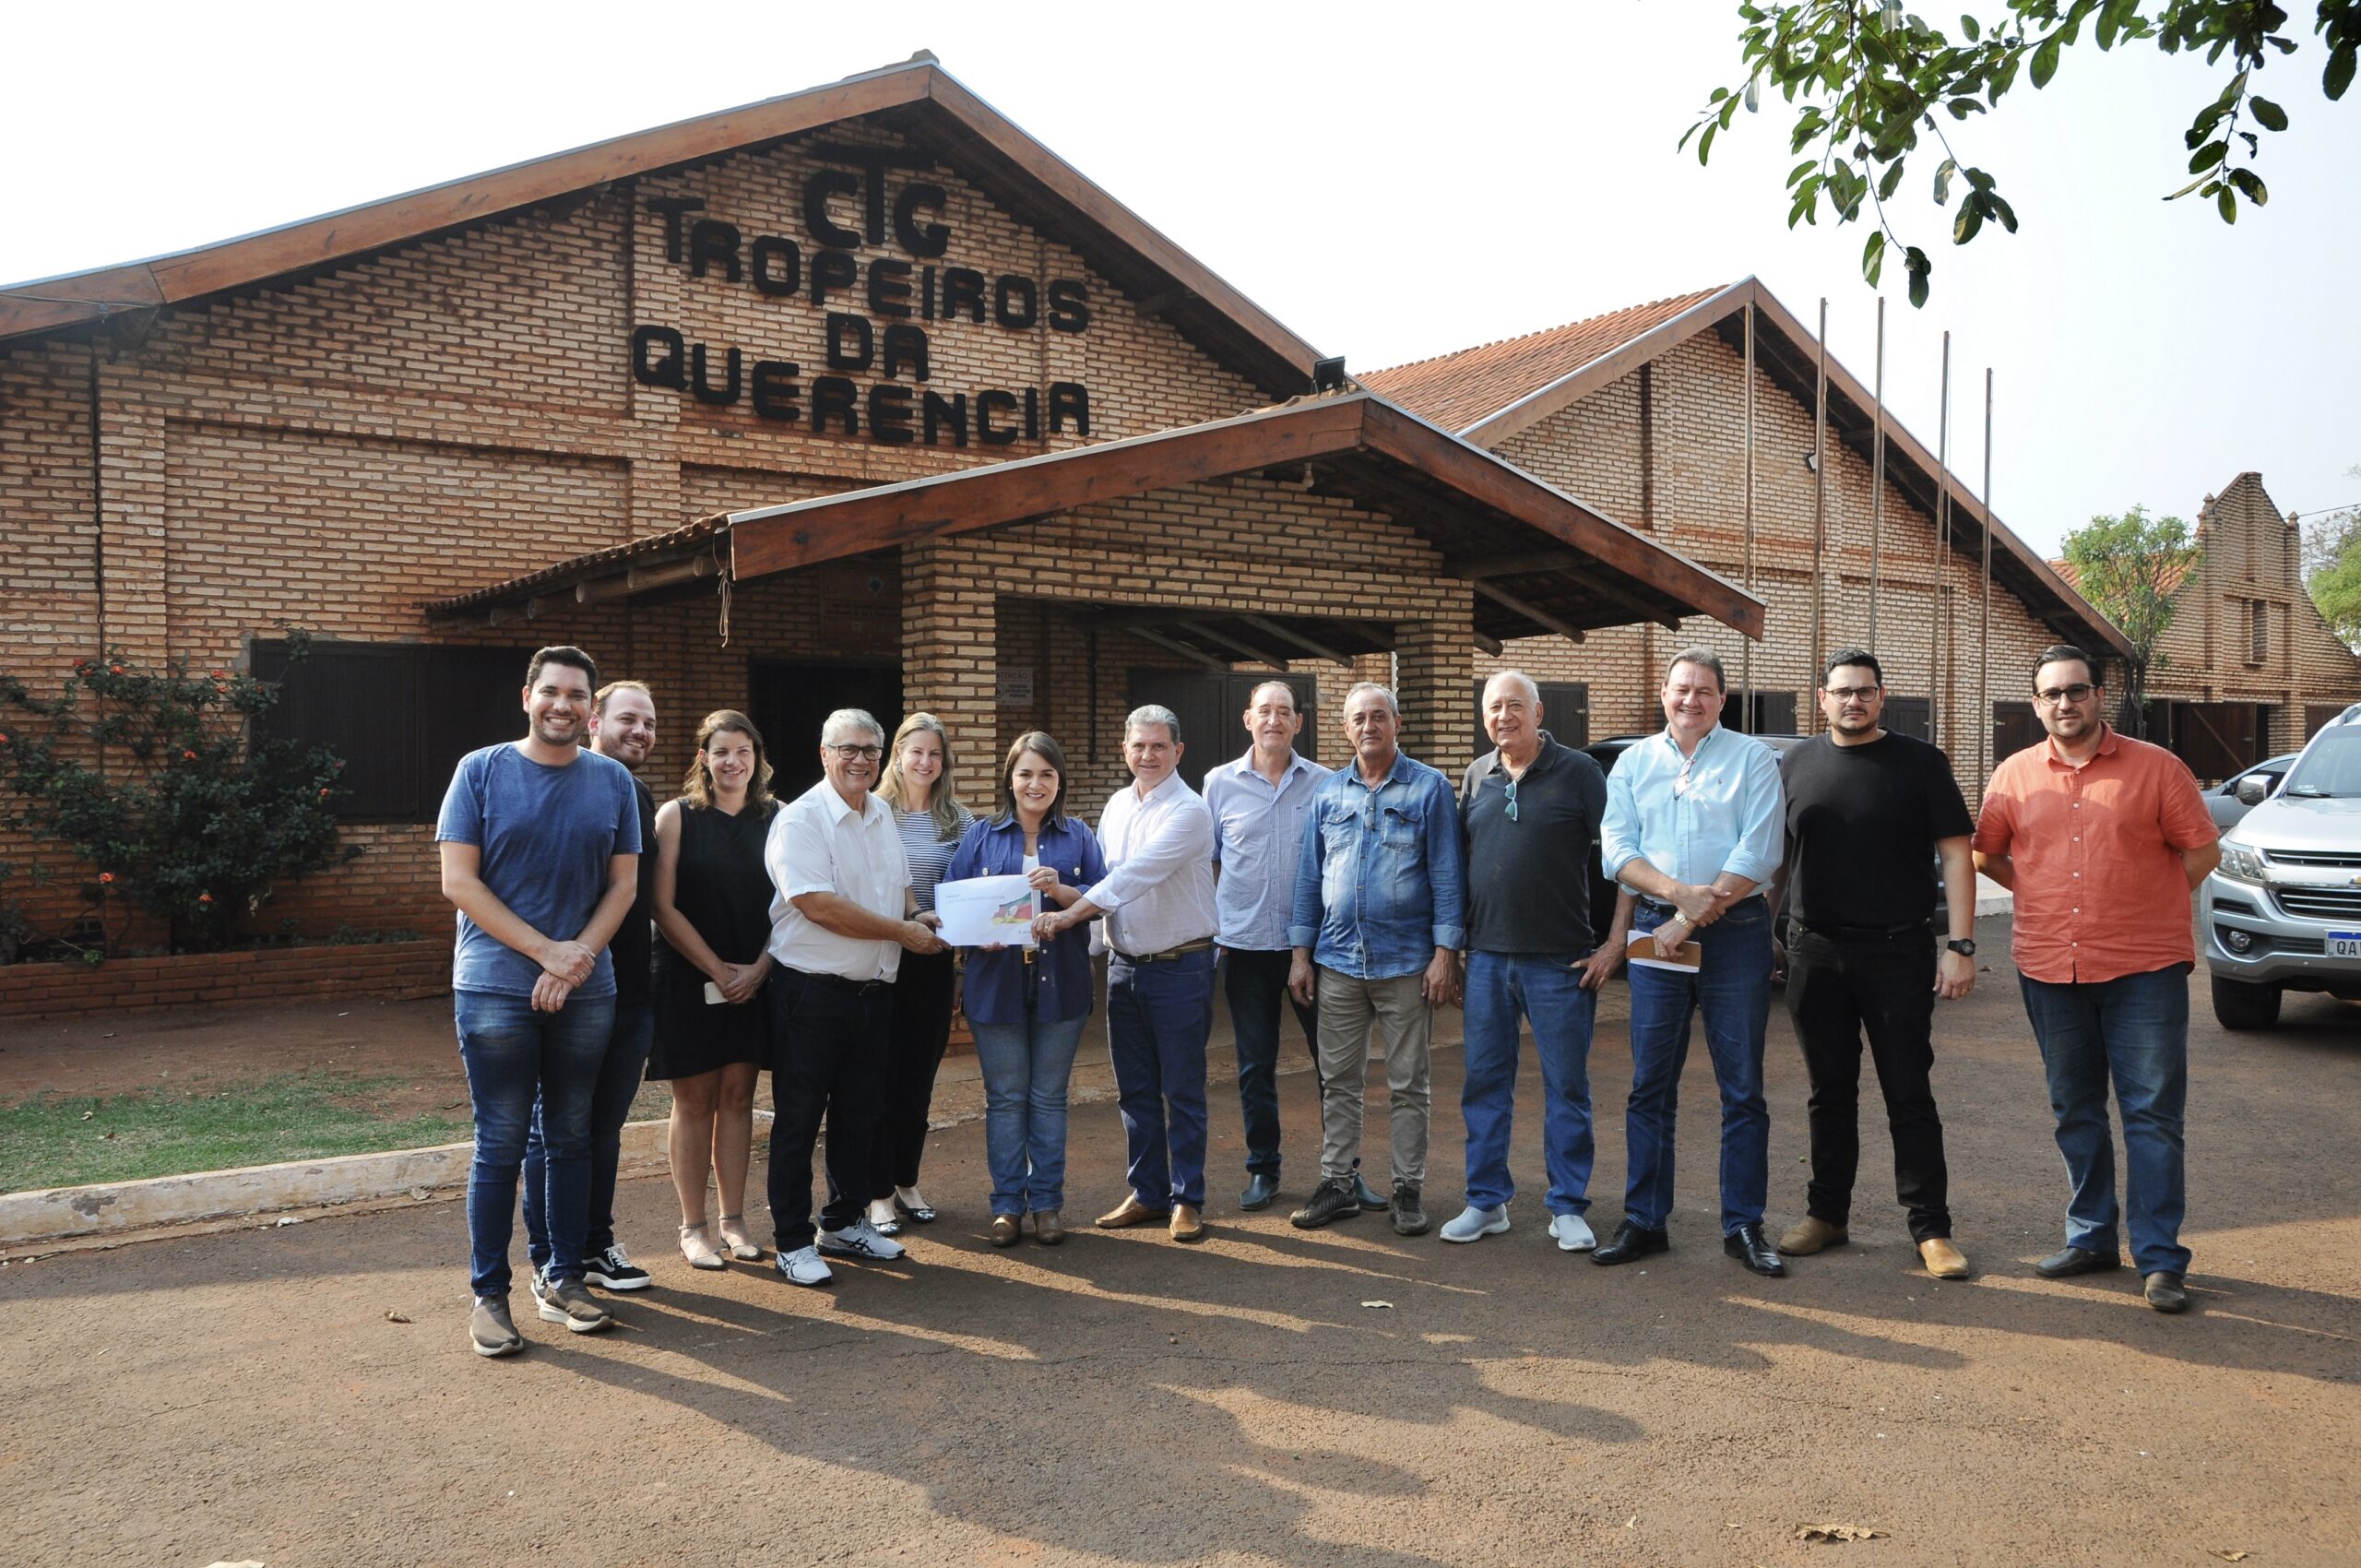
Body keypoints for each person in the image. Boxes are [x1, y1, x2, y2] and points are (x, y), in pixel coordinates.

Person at [1973, 646, 2220, 1313]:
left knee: (2152, 1116)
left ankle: (2161, 1259)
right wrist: (2043, 894)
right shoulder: (2014, 775)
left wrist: (2150, 902)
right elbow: (1986, 853)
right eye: (2051, 694)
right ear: (2035, 704)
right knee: (2074, 1109)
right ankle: (2090, 1239)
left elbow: (2202, 850)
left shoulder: (2157, 769)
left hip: (2146, 969)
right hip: (2051, 965)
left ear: (2099, 696)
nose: (2064, 704)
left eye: (2076, 691)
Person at [435, 646, 642, 1357]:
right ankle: (489, 1297)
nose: (563, 704)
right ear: (527, 697)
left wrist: (575, 957)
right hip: (495, 985)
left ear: (590, 708)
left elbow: (623, 888)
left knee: (570, 1135)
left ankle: (563, 1277)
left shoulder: (611, 780)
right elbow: (460, 883)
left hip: (586, 986)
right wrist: (544, 952)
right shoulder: (480, 770)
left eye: (576, 695)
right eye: (550, 691)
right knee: (499, 1142)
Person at [1770, 649, 1978, 1281]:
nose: (1852, 702)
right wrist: (1770, 930)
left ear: (1881, 697)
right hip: (1815, 950)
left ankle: (1931, 1229)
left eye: (1864, 692)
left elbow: (1957, 857)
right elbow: (1778, 856)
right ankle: (1827, 1215)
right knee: (1827, 1093)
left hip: (1898, 950)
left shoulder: (1921, 764)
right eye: (1841, 692)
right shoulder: (1796, 763)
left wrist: (1961, 946)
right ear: (1822, 698)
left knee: (1907, 1093)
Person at [1593, 647, 1786, 1277]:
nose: (1691, 700)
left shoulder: (1753, 759)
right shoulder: (1633, 763)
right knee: (1650, 1085)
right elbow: (1617, 851)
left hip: (1734, 936)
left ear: (1721, 700)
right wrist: (1675, 897)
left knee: (1743, 1088)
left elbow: (1758, 851)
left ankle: (1744, 1227)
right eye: (1681, 689)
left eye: (1704, 691)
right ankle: (1645, 1221)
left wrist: (1687, 917)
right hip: (1656, 935)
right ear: (1665, 694)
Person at [763, 708, 948, 1287]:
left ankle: (841, 1223)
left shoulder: (882, 814)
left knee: (860, 1115)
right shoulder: (801, 820)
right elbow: (817, 904)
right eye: (849, 749)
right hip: (810, 994)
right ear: (824, 754)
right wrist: (902, 932)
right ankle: (792, 1240)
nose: (861, 759)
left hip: (874, 994)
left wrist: (918, 914)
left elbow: (899, 887)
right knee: (798, 1119)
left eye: (871, 750)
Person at [1444, 671, 1619, 1250]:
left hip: (1562, 963)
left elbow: (1622, 860)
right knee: (1484, 1085)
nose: (1503, 717)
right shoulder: (1476, 775)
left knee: (1566, 1086)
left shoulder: (1580, 773)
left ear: (1539, 713)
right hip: (1489, 959)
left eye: (1515, 706)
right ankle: (1486, 1202)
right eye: (1493, 708)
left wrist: (1612, 943)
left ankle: (1567, 1207)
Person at [1032, 705, 1219, 1244]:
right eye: (1138, 746)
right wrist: (1080, 923)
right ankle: (1149, 1193)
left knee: (1181, 1089)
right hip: (1124, 967)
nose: (1148, 755)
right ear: (1125, 750)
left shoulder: (1189, 811)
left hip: (1180, 966)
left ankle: (1188, 1198)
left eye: (1159, 746)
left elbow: (1135, 877)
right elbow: (1104, 879)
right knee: (1134, 1090)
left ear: (1178, 751)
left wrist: (1071, 914)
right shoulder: (1116, 805)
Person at [1287, 682, 1465, 1239]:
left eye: (1379, 716)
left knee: (1409, 1083)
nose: (1369, 726)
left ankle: (1407, 1188)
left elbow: (1446, 875)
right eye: (1358, 718)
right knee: (1338, 1079)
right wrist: (1301, 955)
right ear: (1345, 729)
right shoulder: (1328, 795)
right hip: (1338, 961)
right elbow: (1309, 879)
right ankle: (1337, 1183)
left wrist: (1445, 955)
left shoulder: (1430, 789)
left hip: (1408, 963)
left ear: (1397, 722)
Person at [1203, 681, 1380, 1213]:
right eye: (1265, 711)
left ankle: (1345, 1173)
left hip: (1316, 950)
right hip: (1246, 949)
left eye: (1285, 712)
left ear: (1299, 723)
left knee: (1335, 1067)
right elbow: (1208, 860)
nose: (1274, 720)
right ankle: (1264, 1169)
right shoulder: (1218, 785)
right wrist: (1221, 923)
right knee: (1256, 1065)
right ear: (1247, 719)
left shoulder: (1327, 784)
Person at [520, 680, 661, 1301]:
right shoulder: (570, 787)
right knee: (553, 1131)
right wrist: (559, 964)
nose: (640, 731)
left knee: (602, 1129)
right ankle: (550, 1257)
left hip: (628, 993)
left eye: (650, 723)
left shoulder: (636, 792)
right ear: (594, 720)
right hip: (565, 989)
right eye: (628, 719)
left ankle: (593, 1245)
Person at [946, 732, 1109, 1246]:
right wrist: (982, 936)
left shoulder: (1079, 834)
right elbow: (953, 909)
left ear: (1059, 781)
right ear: (1009, 780)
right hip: (996, 985)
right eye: (1025, 774)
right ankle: (1007, 1206)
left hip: (1061, 984)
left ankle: (1047, 1205)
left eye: (1046, 774)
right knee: (1006, 1097)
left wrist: (1061, 891)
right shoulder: (980, 836)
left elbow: (1103, 899)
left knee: (1049, 1097)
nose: (1035, 784)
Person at [647, 710, 777, 1270]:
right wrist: (717, 970)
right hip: (687, 975)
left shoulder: (780, 817)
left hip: (756, 976)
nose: (733, 762)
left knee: (738, 1098)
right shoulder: (676, 817)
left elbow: (795, 902)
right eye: (721, 751)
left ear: (757, 758)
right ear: (703, 758)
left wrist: (758, 970)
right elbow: (660, 905)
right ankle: (693, 1225)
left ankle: (734, 1220)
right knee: (694, 1101)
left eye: (743, 752)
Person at [866, 713, 976, 1236]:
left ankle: (907, 1180)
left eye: (935, 754)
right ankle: (878, 1193)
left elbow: (979, 889)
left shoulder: (961, 821)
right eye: (916, 753)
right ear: (898, 757)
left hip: (935, 961)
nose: (925, 762)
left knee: (918, 1081)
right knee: (881, 1077)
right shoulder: (872, 813)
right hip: (881, 960)